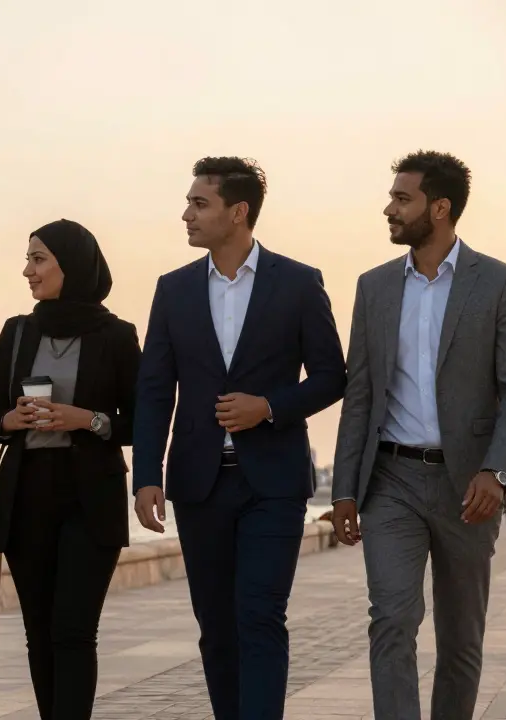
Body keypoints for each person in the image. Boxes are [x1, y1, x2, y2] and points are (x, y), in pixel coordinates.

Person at [132, 157, 347, 720]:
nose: (186, 214)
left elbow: (332, 376)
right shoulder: (173, 290)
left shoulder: (299, 283)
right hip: (199, 485)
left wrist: (270, 407)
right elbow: (155, 390)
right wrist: (147, 476)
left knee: (259, 616)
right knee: (216, 629)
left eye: (199, 203)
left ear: (238, 211)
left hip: (273, 484)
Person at [331, 151, 506, 720]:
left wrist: (497, 471)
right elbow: (362, 395)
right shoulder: (373, 288)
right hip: (390, 480)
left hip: (468, 485)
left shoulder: (498, 283)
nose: (389, 209)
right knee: (392, 618)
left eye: (403, 198)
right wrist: (345, 488)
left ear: (439, 208)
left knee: (461, 635)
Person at [0, 219, 141, 719]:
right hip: (27, 493)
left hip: (90, 497)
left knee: (72, 630)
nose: (28, 270)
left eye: (38, 258)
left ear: (70, 264)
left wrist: (86, 419)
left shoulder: (117, 335)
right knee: (39, 633)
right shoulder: (16, 331)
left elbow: (140, 420)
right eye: (29, 259)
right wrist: (12, 418)